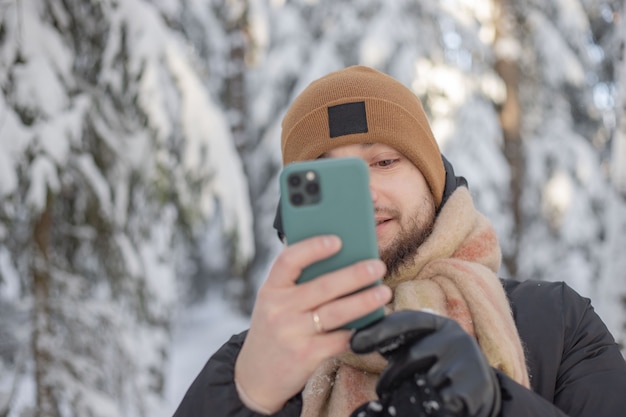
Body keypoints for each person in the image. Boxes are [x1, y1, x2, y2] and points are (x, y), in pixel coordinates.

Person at [172, 66, 626, 417]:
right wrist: (245, 395)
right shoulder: (261, 356)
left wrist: (498, 406)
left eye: (385, 161)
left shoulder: (558, 324)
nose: (365, 193)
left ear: (433, 180)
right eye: (333, 178)